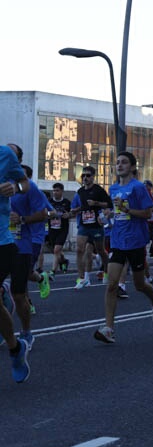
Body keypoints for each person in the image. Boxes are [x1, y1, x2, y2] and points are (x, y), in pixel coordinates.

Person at [93, 152, 153, 344]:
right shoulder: (114, 188)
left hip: (136, 241)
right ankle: (109, 328)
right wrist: (106, 215)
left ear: (133, 167)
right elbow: (113, 212)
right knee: (111, 285)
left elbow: (148, 213)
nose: (119, 165)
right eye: (117, 162)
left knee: (140, 285)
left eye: (124, 162)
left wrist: (127, 210)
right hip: (118, 241)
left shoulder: (139, 188)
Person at [9, 167, 50, 349]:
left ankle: (26, 332)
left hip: (25, 242)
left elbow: (46, 213)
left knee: (19, 291)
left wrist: (22, 219)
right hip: (4, 243)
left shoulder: (31, 188)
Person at [0, 144, 30, 382]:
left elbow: (25, 184)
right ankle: (15, 347)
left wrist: (14, 186)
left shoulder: (5, 154)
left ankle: (14, 347)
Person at [70, 166, 111, 289]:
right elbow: (83, 207)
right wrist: (75, 211)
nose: (85, 178)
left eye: (88, 176)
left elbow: (108, 204)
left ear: (93, 177)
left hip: (96, 225)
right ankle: (81, 278)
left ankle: (107, 271)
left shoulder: (98, 190)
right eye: (83, 176)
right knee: (79, 249)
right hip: (84, 224)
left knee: (101, 251)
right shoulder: (80, 191)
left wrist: (96, 204)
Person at [41, 182, 72, 274]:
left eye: (57, 191)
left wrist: (69, 215)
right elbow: (44, 213)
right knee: (54, 250)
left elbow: (73, 213)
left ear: (62, 191)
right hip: (51, 228)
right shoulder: (50, 202)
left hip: (62, 229)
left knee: (57, 249)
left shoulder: (66, 202)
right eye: (54, 190)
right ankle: (64, 261)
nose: (55, 192)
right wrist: (49, 214)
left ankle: (53, 271)